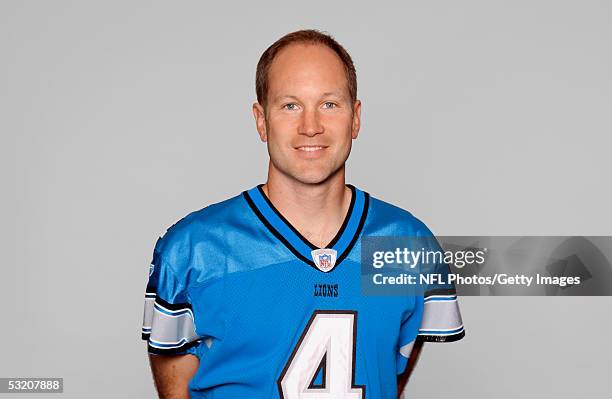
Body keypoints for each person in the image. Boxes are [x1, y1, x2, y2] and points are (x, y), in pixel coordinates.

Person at [141, 29, 464, 399]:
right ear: (261, 120)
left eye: (329, 104)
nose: (311, 126)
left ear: (355, 118)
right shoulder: (192, 249)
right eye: (290, 105)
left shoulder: (407, 243)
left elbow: (389, 377)